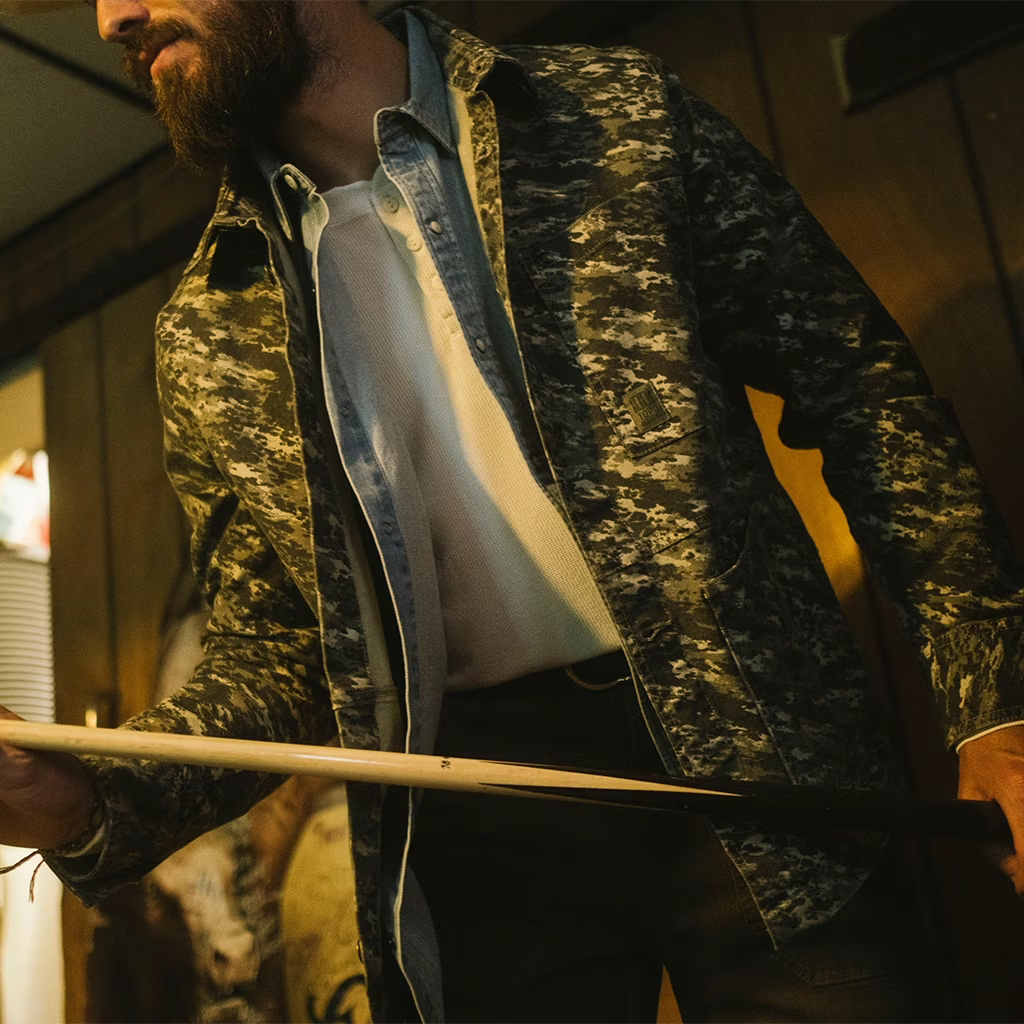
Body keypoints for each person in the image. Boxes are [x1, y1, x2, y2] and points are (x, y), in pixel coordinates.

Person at [1, 0, 1024, 1020]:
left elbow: (861, 396)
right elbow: (277, 650)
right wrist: (90, 799)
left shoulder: (612, 116)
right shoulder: (207, 324)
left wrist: (997, 701)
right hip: (472, 815)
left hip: (753, 760)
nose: (111, 17)